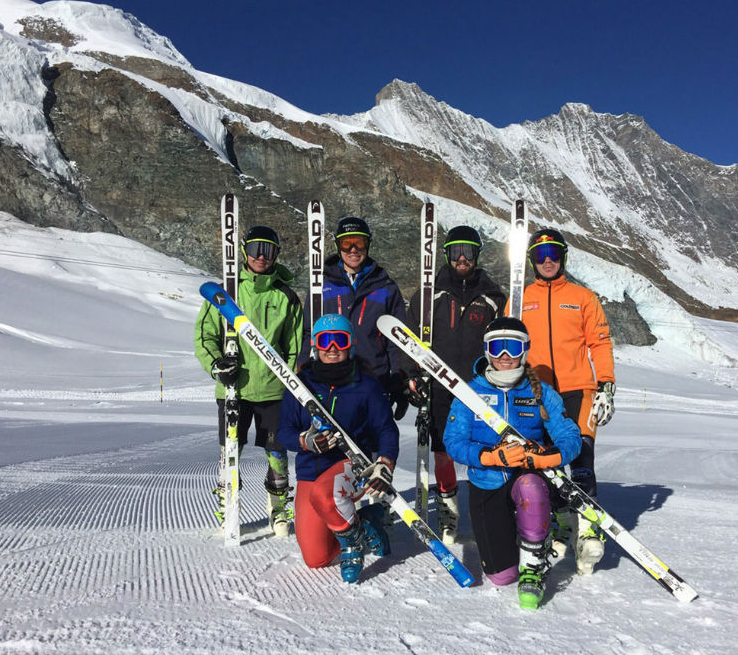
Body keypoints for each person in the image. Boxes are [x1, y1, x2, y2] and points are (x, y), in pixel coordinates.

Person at [443, 317, 581, 609]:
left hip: (527, 477)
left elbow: (570, 435)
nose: (505, 355)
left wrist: (549, 456)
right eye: (497, 346)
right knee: (502, 576)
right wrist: (489, 456)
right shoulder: (470, 393)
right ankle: (522, 531)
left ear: (525, 350)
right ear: (487, 350)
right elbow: (453, 442)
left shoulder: (540, 392)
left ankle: (534, 560)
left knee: (531, 486)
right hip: (487, 481)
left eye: (513, 347)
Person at [194, 225, 304, 537]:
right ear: (243, 251)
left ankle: (278, 507)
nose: (260, 256)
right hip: (234, 389)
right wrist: (217, 366)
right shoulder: (225, 294)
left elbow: (295, 346)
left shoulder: (286, 297)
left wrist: (292, 381)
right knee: (230, 451)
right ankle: (227, 507)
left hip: (273, 390)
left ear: (276, 255)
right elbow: (205, 335)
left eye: (267, 250)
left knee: (277, 453)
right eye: (255, 248)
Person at [518, 228, 616, 575]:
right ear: (531, 260)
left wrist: (606, 385)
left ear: (563, 258)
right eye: (541, 256)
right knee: (547, 460)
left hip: (579, 389)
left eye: (554, 255)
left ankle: (588, 531)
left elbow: (600, 344)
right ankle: (560, 523)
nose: (548, 261)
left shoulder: (583, 297)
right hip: (537, 392)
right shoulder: (520, 297)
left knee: (582, 455)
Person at [277, 314, 399, 583]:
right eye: (325, 340)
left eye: (340, 341)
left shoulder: (366, 385)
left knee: (325, 494)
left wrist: (385, 462)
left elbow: (386, 429)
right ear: (316, 347)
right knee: (316, 558)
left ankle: (353, 543)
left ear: (351, 345)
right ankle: (366, 521)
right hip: (311, 470)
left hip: (352, 467)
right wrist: (304, 442)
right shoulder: (300, 386)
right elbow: (282, 431)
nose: (332, 348)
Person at [405, 225, 506, 544]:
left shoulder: (493, 297)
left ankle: (486, 510)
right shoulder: (428, 293)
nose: (462, 258)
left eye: (469, 252)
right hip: (440, 386)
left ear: (478, 255)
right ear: (446, 255)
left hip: (479, 389)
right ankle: (448, 510)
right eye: (455, 252)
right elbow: (407, 338)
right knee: (443, 452)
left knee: (485, 450)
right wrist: (411, 374)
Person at [301, 216, 409, 420]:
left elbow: (397, 340)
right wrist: (303, 367)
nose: (353, 249)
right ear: (338, 246)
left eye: (359, 243)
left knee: (372, 442)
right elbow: (309, 331)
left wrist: (398, 378)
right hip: (331, 377)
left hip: (375, 378)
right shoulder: (321, 285)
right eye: (346, 243)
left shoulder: (385, 287)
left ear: (368, 244)